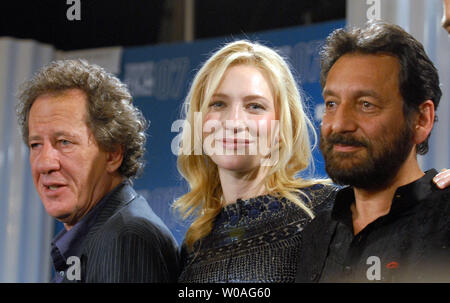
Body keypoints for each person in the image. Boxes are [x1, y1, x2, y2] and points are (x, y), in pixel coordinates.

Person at [296, 21, 449, 283]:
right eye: (331, 103)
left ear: (421, 119)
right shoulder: (316, 230)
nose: (340, 124)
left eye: (366, 104)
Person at [173, 40, 338, 282]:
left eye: (254, 106)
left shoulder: (326, 211)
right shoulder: (196, 243)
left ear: (283, 126)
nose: (234, 121)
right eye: (218, 104)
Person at [16, 59, 179, 282]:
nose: (44, 163)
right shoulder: (97, 236)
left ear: (113, 154)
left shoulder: (128, 238)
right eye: (36, 145)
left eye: (64, 142)